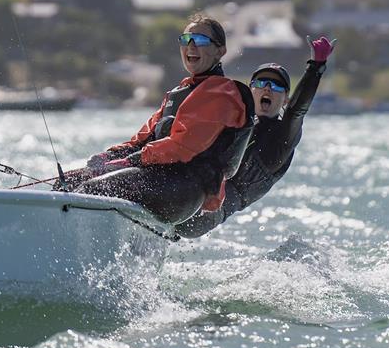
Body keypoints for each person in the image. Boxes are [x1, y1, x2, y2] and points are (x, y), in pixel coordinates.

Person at [60, 14, 256, 225]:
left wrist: (128, 162)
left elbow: (182, 147)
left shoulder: (223, 93)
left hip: (183, 188)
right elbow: (142, 139)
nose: (191, 46)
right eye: (185, 40)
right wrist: (109, 156)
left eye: (200, 41)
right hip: (156, 177)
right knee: (67, 184)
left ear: (220, 51)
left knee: (90, 189)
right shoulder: (179, 92)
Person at [175, 36, 336, 238]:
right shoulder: (235, 122)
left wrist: (316, 67)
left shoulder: (283, 138)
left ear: (285, 98)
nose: (268, 88)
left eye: (277, 86)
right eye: (261, 83)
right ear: (250, 90)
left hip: (207, 212)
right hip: (190, 185)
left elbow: (296, 112)